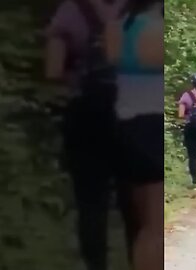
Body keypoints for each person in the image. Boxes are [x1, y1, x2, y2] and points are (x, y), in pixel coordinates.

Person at [45, 1, 129, 270]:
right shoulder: (137, 9)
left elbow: (53, 70)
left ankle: (96, 263)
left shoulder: (70, 10)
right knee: (137, 198)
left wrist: (77, 78)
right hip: (132, 113)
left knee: (91, 202)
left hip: (87, 116)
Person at [105, 1, 164, 270]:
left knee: (142, 224)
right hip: (151, 127)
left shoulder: (117, 29)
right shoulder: (156, 31)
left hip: (125, 127)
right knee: (154, 227)